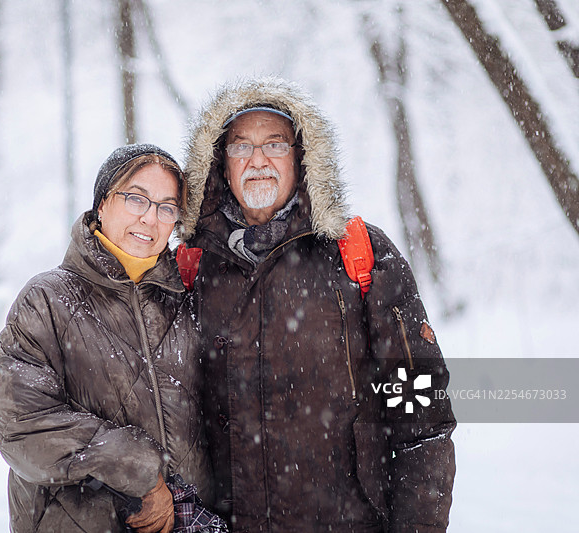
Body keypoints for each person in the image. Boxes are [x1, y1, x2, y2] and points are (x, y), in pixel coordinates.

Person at [177, 77, 457, 532]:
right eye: (241, 146)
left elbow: (421, 421)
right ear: (219, 163)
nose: (258, 160)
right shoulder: (189, 269)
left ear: (302, 156)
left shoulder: (360, 253)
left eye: (275, 143)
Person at [0, 144, 212, 533]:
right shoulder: (47, 300)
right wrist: (141, 470)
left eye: (166, 207)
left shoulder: (186, 301)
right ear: (102, 203)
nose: (150, 218)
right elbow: (21, 426)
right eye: (136, 199)